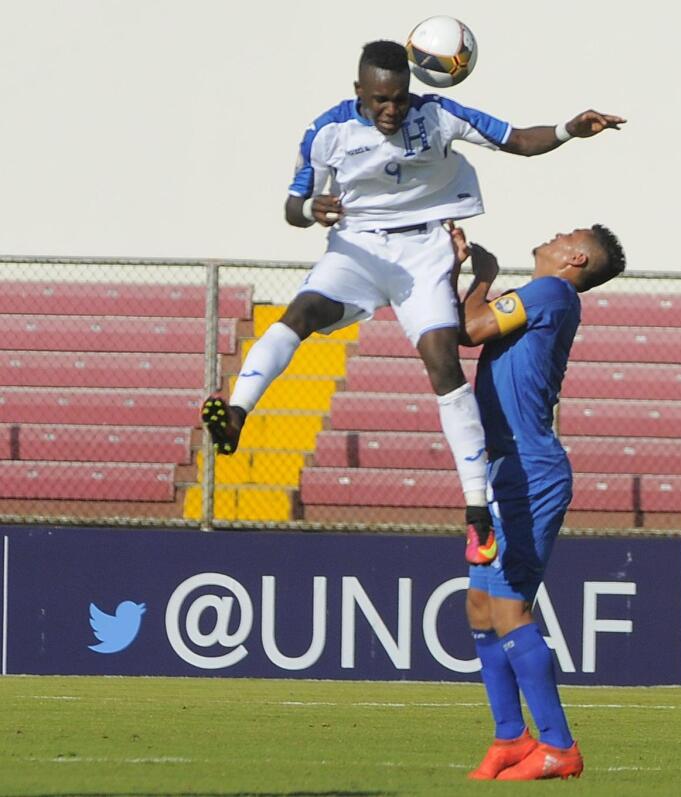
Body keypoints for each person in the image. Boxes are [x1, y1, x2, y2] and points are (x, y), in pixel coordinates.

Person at [200, 39, 624, 564]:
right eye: (380, 99)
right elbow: (292, 207)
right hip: (357, 247)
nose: (392, 110)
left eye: (399, 98)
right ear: (359, 92)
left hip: (424, 248)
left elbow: (515, 139)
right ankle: (236, 415)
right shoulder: (326, 132)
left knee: (443, 362)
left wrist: (567, 131)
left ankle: (475, 513)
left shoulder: (439, 114)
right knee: (302, 313)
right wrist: (313, 207)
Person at [447, 221, 625, 781]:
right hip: (503, 468)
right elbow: (471, 326)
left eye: (564, 233)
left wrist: (482, 275)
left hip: (529, 471)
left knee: (508, 607)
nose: (552, 234)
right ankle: (510, 737)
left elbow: (469, 330)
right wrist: (478, 277)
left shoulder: (551, 292)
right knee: (479, 605)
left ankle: (559, 747)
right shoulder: (542, 297)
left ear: (574, 257)